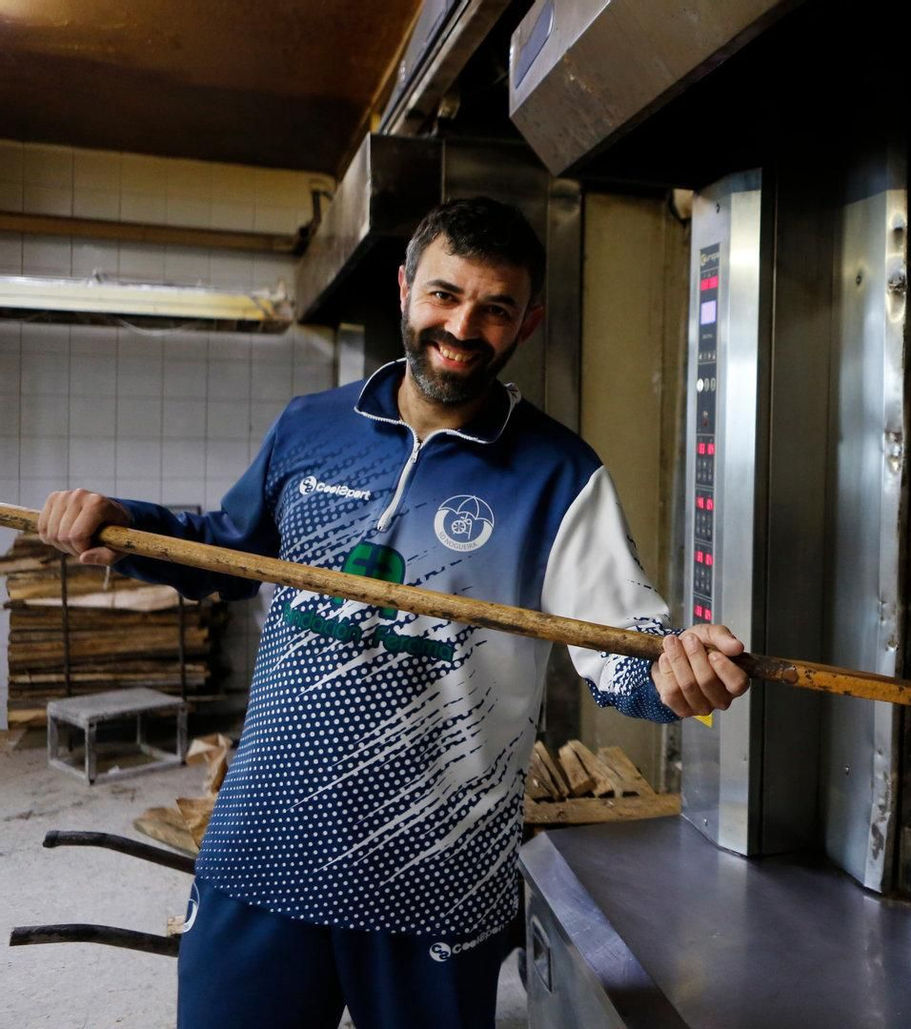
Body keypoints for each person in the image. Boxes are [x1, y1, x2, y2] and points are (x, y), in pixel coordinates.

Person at [37, 197, 748, 1029]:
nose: (462, 325)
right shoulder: (310, 428)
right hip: (264, 848)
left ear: (528, 323)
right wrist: (117, 525)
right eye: (445, 295)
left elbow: (621, 647)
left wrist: (677, 673)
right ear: (407, 288)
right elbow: (224, 548)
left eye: (495, 308)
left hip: (435, 875)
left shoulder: (559, 474)